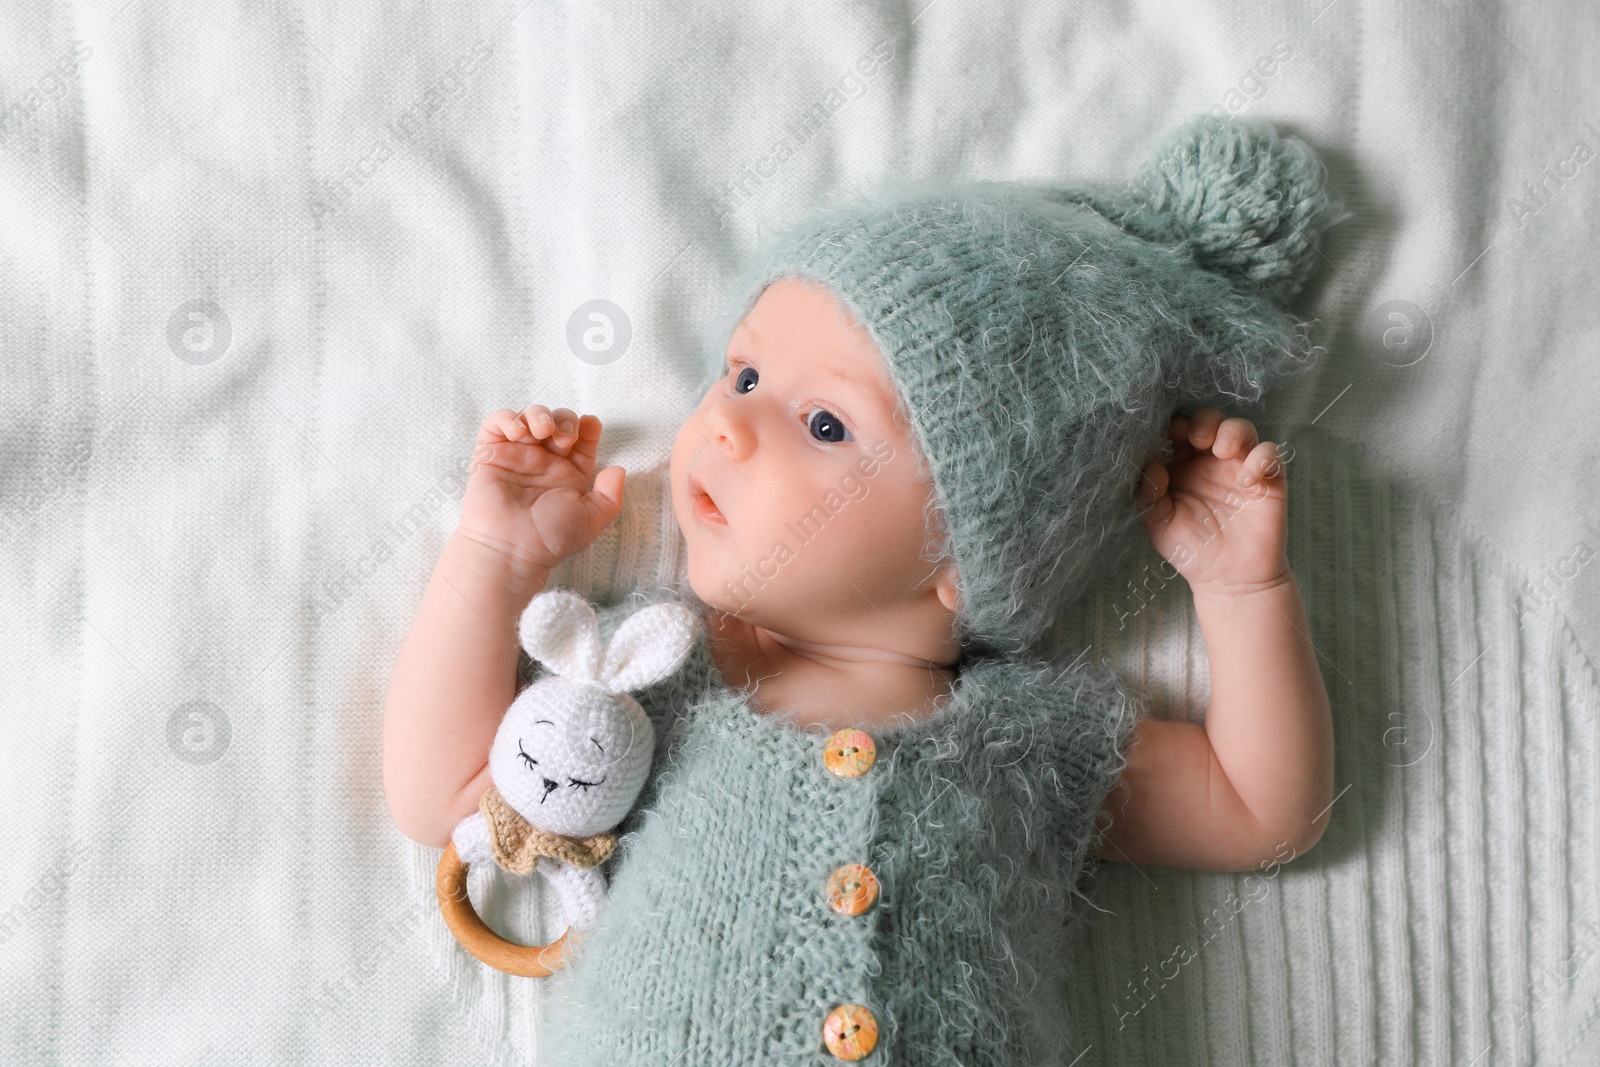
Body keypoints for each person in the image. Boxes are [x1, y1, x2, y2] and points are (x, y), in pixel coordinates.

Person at [384, 115, 1341, 1063]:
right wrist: (495, 557)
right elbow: (452, 794)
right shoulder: (652, 674)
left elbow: (1262, 810)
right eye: (742, 372)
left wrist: (1242, 590)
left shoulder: (1032, 746)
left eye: (826, 424)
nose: (725, 423)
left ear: (974, 555)